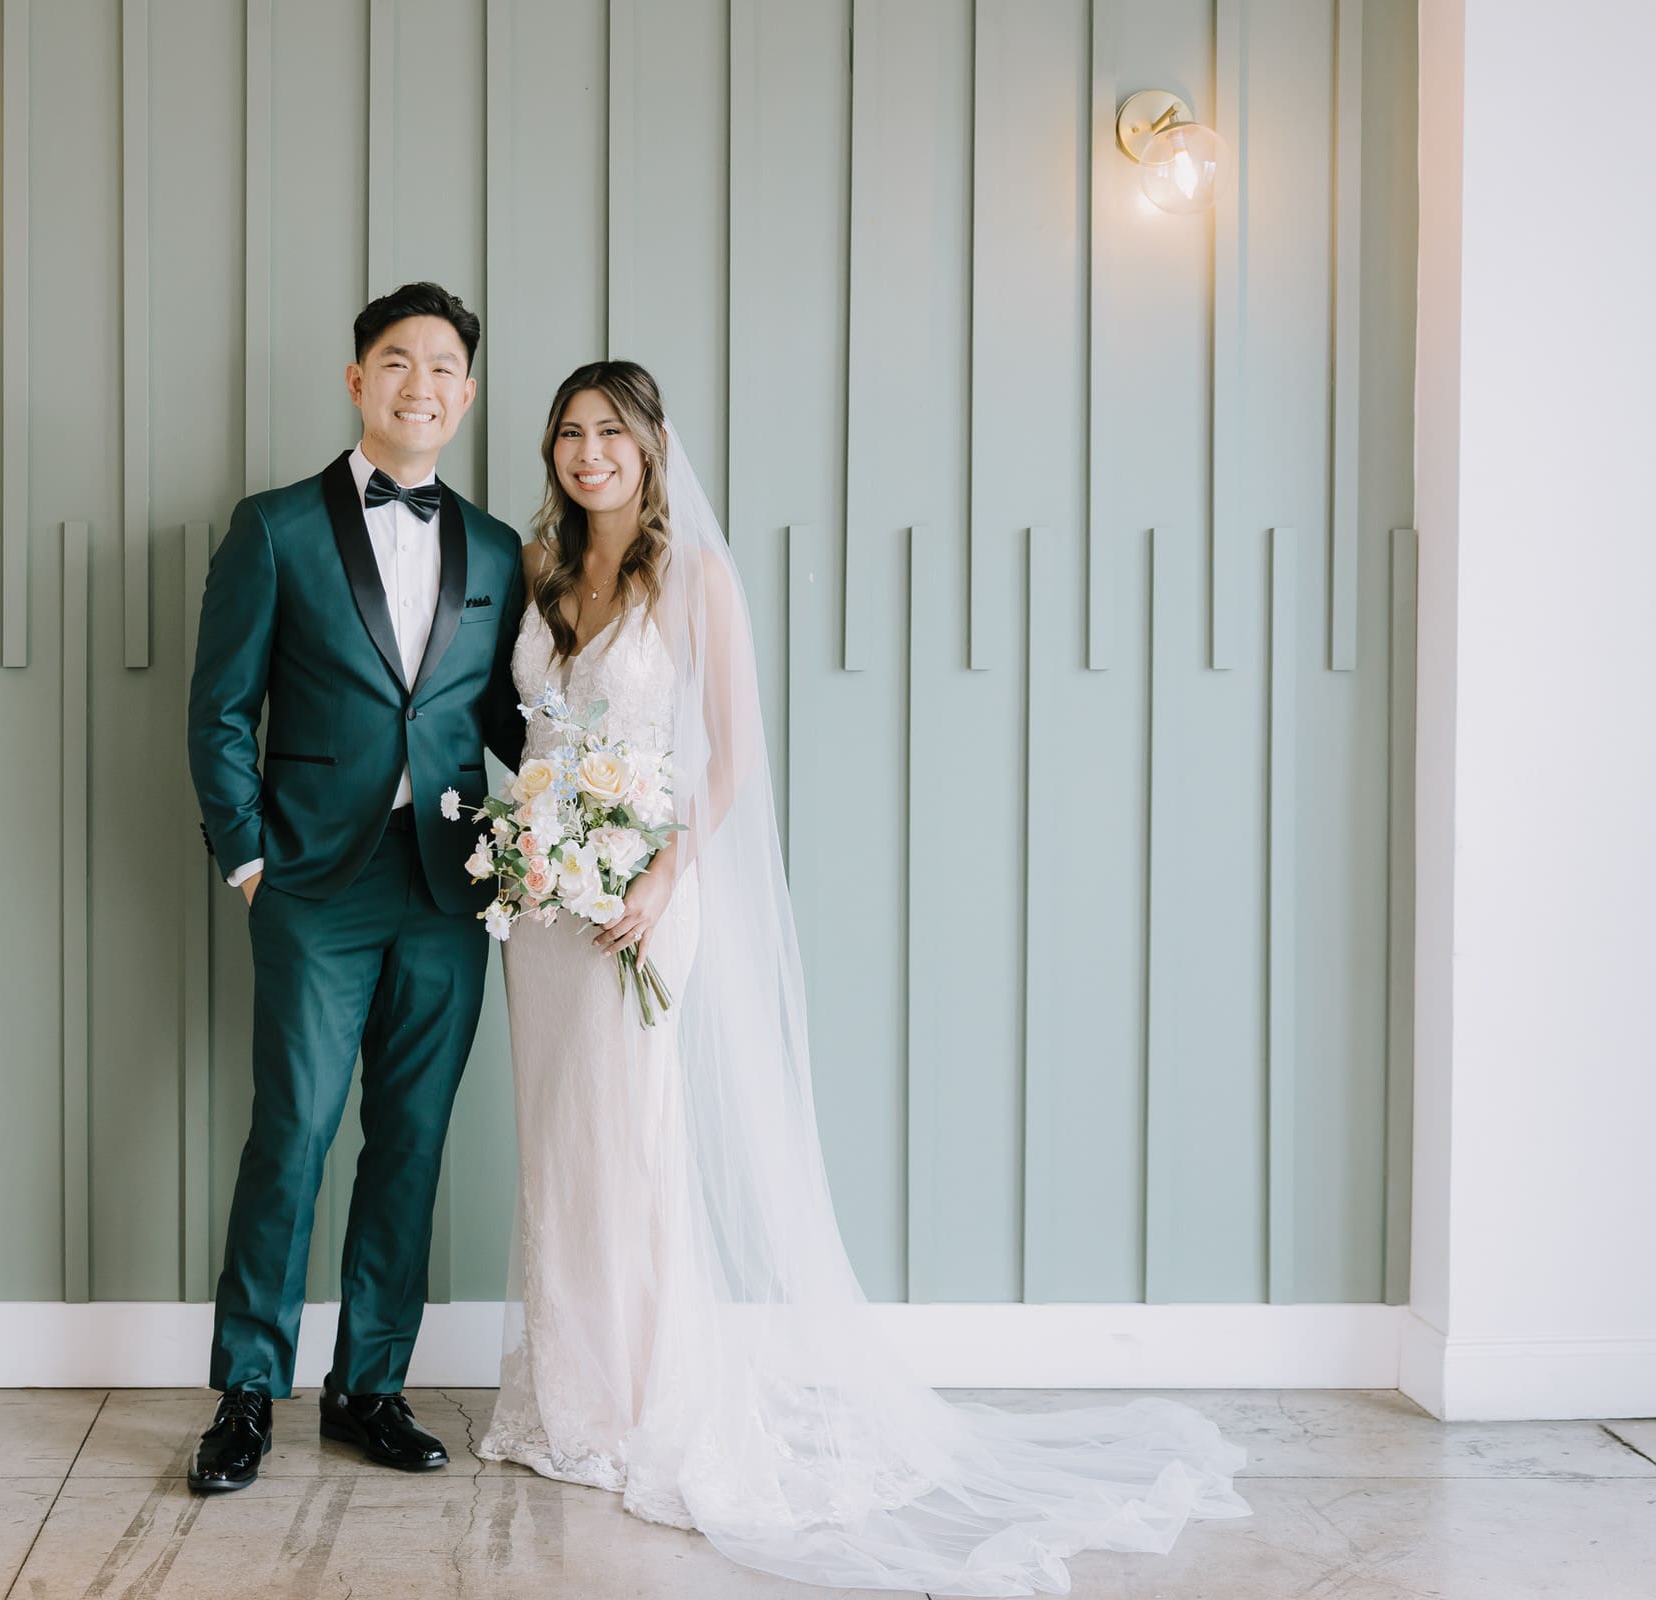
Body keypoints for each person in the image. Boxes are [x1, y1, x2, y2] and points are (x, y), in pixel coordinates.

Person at [476, 359, 1252, 1594]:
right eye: (570, 432)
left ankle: (643, 1400)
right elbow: (524, 729)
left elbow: (730, 752)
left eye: (610, 431)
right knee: (560, 1139)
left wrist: (664, 874)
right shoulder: (540, 570)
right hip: (546, 906)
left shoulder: (695, 577)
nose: (588, 453)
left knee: (631, 1140)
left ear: (651, 445)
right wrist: (531, 844)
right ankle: (569, 1399)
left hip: (641, 898)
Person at [182, 283, 527, 1492]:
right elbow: (222, 709)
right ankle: (246, 1392)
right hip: (312, 883)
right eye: (395, 361)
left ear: (466, 396)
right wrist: (248, 858)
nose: (418, 385)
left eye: (441, 368)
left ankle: (369, 1385)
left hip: (451, 882)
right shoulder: (274, 527)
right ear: (356, 380)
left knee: (412, 1139)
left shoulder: (497, 549)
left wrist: (598, 802)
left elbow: (508, 720)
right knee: (293, 1131)